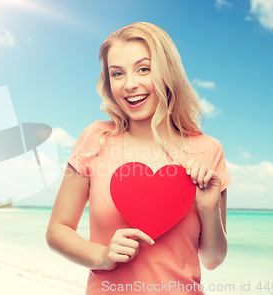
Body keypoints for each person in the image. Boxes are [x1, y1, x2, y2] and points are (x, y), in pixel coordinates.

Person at [46, 22, 231, 294]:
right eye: (117, 73)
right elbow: (57, 230)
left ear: (167, 72)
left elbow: (213, 259)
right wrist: (102, 256)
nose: (130, 84)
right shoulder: (95, 139)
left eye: (143, 69)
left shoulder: (208, 149)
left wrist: (208, 209)